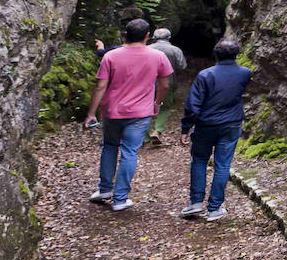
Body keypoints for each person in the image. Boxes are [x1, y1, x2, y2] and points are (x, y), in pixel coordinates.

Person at [83, 18, 174, 211]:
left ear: (125, 34)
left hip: (112, 111)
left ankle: (105, 189)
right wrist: (157, 103)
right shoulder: (158, 56)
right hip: (140, 113)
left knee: (109, 147)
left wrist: (91, 113)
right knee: (129, 151)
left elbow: (100, 86)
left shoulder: (111, 56)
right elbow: (165, 84)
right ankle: (120, 198)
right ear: (148, 36)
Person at [179, 39, 252, 222]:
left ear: (216, 54)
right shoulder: (244, 73)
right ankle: (214, 208)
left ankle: (195, 202)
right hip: (231, 124)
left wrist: (186, 128)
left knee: (199, 161)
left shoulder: (205, 75)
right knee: (223, 165)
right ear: (236, 55)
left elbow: (193, 105)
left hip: (205, 125)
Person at [148, 28, 187, 146]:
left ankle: (144, 138)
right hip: (168, 82)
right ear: (169, 38)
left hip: (147, 83)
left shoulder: (146, 49)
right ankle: (157, 130)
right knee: (165, 107)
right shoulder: (175, 50)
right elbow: (182, 66)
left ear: (153, 38)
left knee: (145, 108)